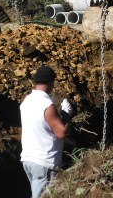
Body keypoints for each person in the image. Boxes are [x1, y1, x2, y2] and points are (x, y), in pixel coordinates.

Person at [20, 66, 73, 198]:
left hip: (28, 160)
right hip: (44, 162)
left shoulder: (26, 102)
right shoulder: (46, 105)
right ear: (51, 82)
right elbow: (61, 133)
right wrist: (67, 114)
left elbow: (42, 125)